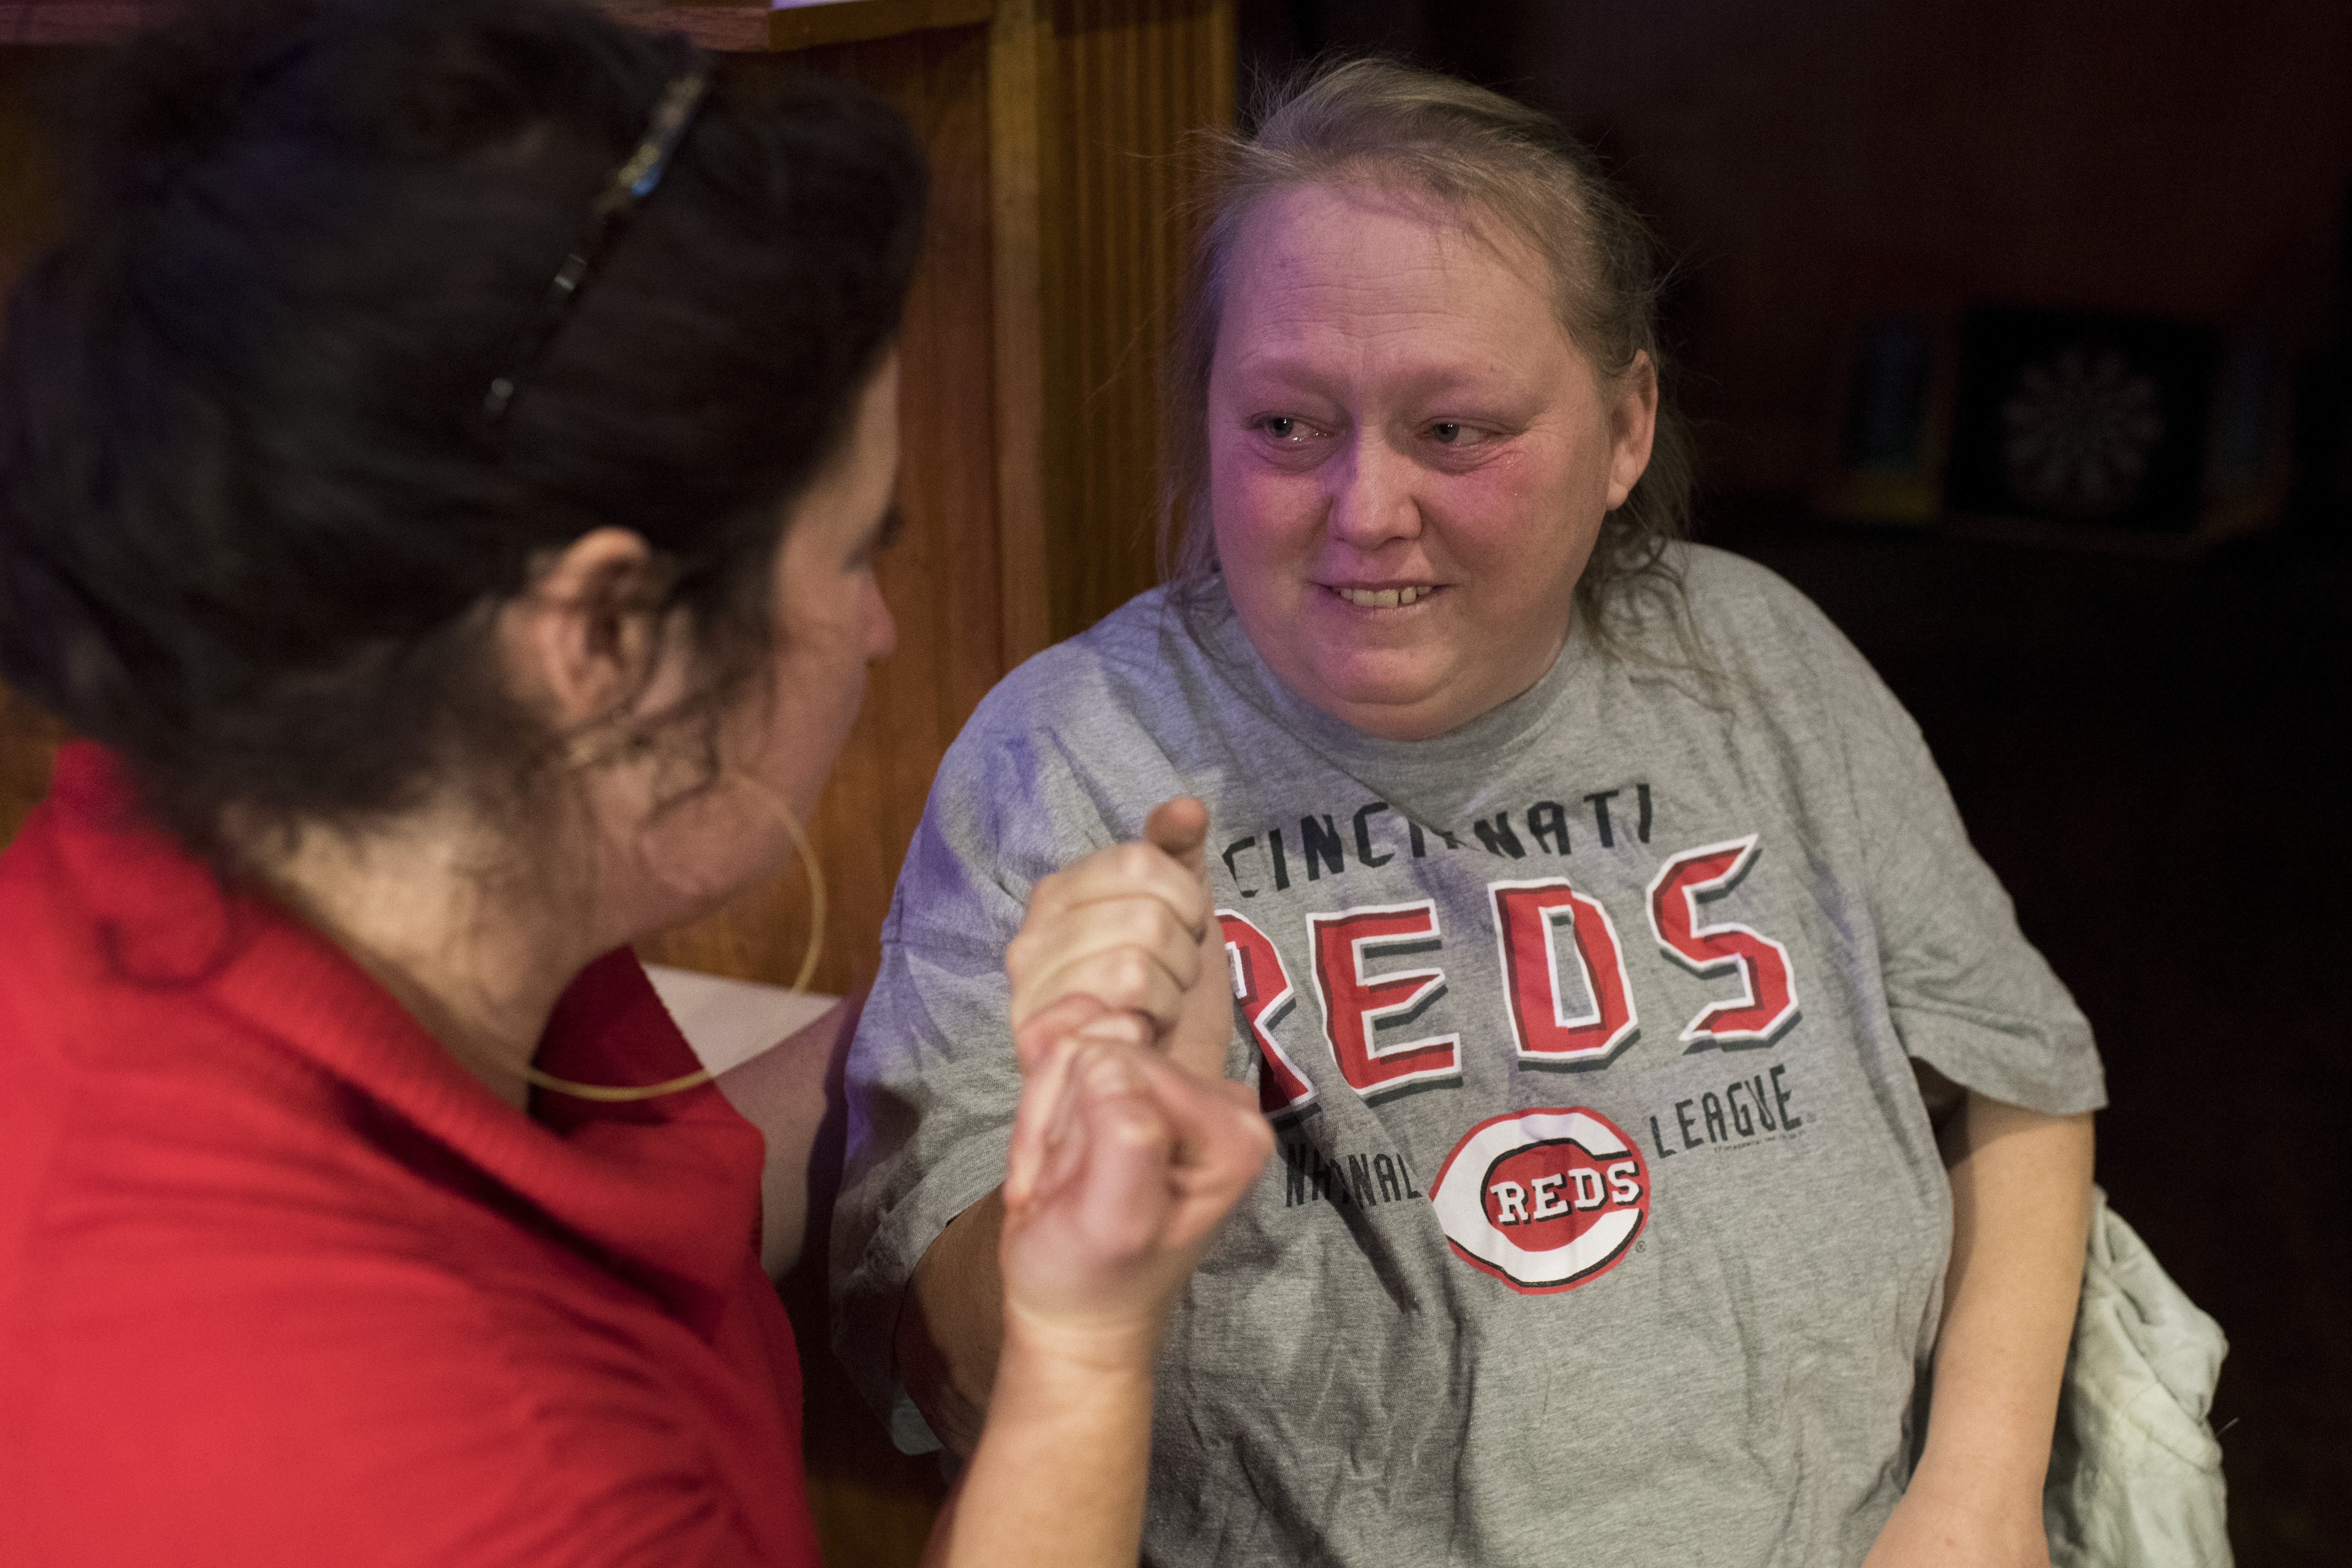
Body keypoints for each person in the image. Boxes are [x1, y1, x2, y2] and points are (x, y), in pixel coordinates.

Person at [0, 2, 1268, 1564]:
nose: (879, 630)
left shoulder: (207, 833)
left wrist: (964, 1038)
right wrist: (1082, 1351)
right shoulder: (486, 1480)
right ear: (602, 635)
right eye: (862, 546)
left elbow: (614, 1193)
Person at [833, 57, 2105, 1567]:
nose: (1367, 509)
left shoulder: (1759, 666)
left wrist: (1976, 1495)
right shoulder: (1075, 756)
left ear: (1627, 427)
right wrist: (1088, 1156)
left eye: (1456, 431)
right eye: (1289, 428)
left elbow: (2018, 1081)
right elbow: (947, 1363)